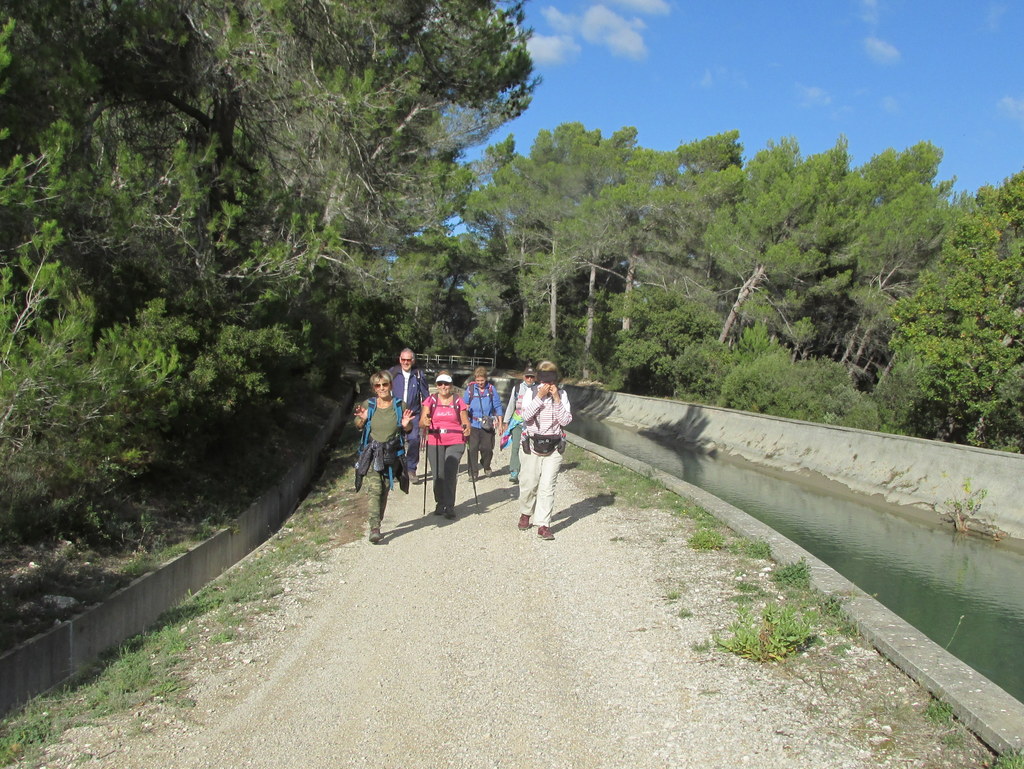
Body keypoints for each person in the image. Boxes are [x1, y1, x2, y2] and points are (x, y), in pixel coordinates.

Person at [354, 370, 415, 544]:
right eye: (378, 385)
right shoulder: (369, 405)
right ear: (374, 388)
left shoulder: (399, 405)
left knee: (385, 489)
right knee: (375, 489)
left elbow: (408, 429)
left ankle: (377, 521)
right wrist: (362, 419)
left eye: (385, 384)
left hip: (392, 456)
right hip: (373, 454)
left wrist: (407, 424)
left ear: (390, 385)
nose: (382, 388)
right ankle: (374, 528)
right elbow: (358, 426)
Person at [517, 360, 572, 541]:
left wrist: (556, 399)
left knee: (547, 486)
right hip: (532, 444)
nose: (548, 385)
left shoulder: (562, 396)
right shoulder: (531, 393)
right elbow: (525, 416)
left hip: (554, 445)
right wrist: (539, 397)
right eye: (545, 381)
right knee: (529, 483)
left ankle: (543, 525)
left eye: (552, 381)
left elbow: (565, 421)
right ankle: (526, 513)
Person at [420, 371, 471, 519]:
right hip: (435, 440)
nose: (443, 387)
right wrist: (425, 422)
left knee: (450, 472)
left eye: (446, 384)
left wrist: (467, 427)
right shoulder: (430, 400)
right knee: (438, 475)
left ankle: (449, 505)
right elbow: (422, 421)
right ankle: (440, 502)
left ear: (451, 385)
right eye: (440, 384)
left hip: (455, 440)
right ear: (436, 385)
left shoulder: (458, 400)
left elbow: (464, 419)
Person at [388, 348, 430, 481]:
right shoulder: (392, 373)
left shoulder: (418, 375)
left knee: (413, 440)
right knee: (394, 441)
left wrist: (425, 415)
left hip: (414, 413)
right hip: (395, 412)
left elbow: (426, 397)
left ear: (413, 360)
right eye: (403, 359)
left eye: (408, 360)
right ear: (400, 360)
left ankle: (411, 469)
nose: (406, 362)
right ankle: (396, 470)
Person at [461, 365, 503, 481]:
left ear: (486, 379)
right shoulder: (470, 390)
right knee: (472, 449)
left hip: (487, 424)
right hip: (473, 424)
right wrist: (465, 416)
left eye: (482, 380)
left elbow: (498, 406)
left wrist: (500, 423)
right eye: (478, 380)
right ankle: (473, 472)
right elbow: (463, 407)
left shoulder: (491, 389)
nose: (480, 383)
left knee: (487, 448)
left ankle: (486, 464)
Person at [501, 365, 536, 484]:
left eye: (532, 377)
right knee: (516, 446)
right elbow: (511, 404)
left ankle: (528, 471)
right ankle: (514, 471)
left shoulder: (538, 390)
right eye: (527, 376)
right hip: (517, 423)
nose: (530, 379)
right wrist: (506, 422)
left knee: (530, 448)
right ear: (523, 377)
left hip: (532, 424)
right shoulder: (517, 388)